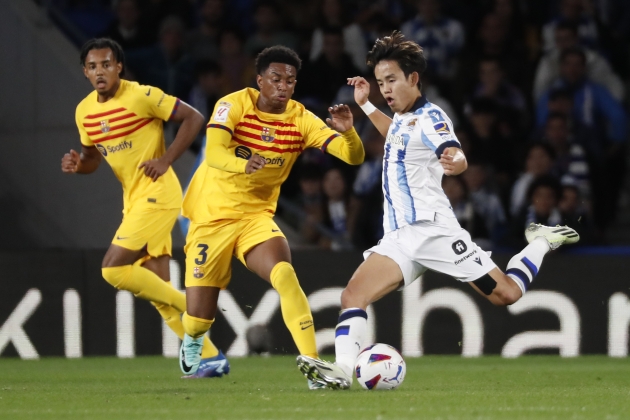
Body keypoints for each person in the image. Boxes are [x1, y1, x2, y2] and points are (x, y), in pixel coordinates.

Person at [296, 31, 580, 390]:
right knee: (353, 296)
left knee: (507, 295)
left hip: (435, 233)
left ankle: (539, 242)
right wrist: (366, 106)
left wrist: (455, 162)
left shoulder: (431, 117)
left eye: (391, 80)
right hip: (400, 238)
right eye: (381, 81)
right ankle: (342, 370)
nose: (385, 88)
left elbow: (454, 152)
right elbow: (396, 134)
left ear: (413, 79)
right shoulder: (402, 116)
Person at [178, 45, 364, 389]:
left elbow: (352, 157)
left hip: (255, 217)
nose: (283, 85)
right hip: (210, 218)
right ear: (259, 80)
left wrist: (349, 133)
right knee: (198, 318)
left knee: (286, 277)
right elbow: (216, 152)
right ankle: (191, 339)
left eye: (290, 81)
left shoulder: (301, 118)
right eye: (276, 78)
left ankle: (315, 369)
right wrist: (242, 163)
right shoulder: (232, 105)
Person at [60, 38, 227, 378]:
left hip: (158, 194)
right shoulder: (84, 112)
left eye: (106, 64)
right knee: (157, 290)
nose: (100, 72)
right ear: (85, 72)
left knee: (112, 269)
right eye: (93, 67)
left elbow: (194, 118)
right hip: (133, 199)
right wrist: (78, 165)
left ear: (118, 66)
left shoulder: (142, 95)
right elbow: (92, 158)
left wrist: (167, 159)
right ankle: (209, 358)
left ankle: (195, 308)